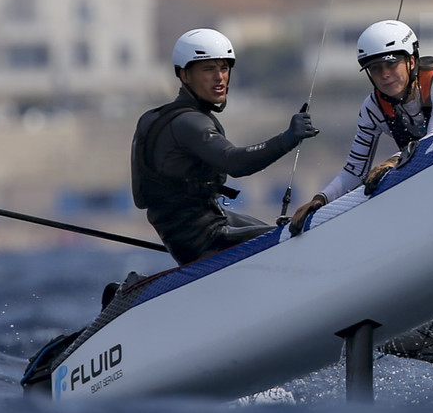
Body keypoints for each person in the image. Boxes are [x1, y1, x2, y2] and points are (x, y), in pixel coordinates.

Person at [132, 28, 319, 265]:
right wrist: (287, 138)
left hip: (200, 228)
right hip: (202, 240)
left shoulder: (158, 117)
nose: (219, 77)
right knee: (292, 237)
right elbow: (235, 162)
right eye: (208, 69)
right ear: (184, 75)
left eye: (224, 68)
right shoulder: (189, 123)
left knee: (282, 229)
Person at [289, 19, 433, 234]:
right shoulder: (372, 107)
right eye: (375, 68)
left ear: (411, 60)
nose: (384, 75)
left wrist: (394, 160)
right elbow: (355, 170)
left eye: (392, 64)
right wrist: (321, 199)